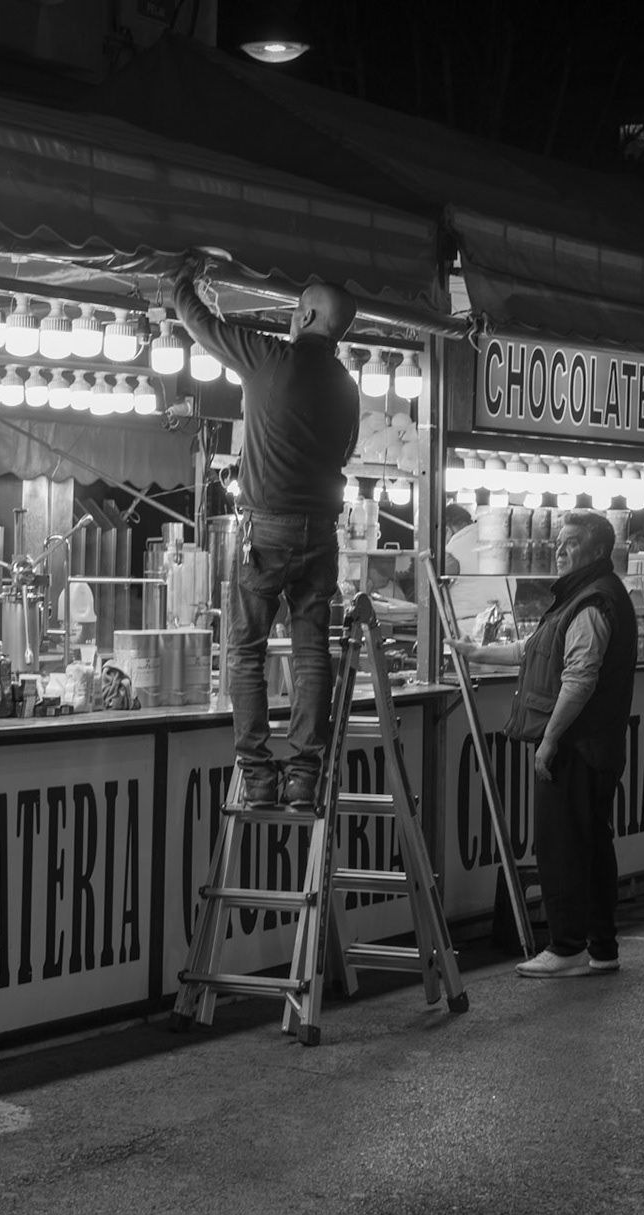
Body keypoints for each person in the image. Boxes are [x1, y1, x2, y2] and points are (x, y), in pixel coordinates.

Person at [174, 258, 359, 810]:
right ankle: (303, 776)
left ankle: (257, 778)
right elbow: (345, 452)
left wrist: (183, 284)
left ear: (303, 315)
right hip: (321, 534)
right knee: (310, 654)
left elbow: (204, 327)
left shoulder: (268, 358)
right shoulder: (348, 388)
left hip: (265, 533)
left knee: (246, 652)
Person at [462, 509, 639, 978]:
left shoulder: (592, 602)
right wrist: (475, 652)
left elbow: (579, 680)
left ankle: (566, 948)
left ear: (599, 549)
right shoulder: (580, 596)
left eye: (572, 541)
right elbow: (534, 649)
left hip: (578, 747)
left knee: (563, 848)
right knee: (592, 847)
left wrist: (550, 740)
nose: (560, 549)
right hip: (592, 747)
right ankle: (601, 948)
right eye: (559, 540)